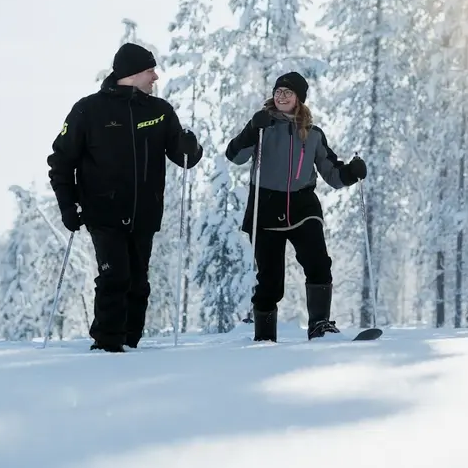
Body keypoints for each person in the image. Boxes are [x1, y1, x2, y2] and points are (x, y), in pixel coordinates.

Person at [47, 42, 202, 352]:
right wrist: (68, 204)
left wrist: (190, 146)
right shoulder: (88, 109)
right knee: (114, 276)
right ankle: (107, 345)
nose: (155, 77)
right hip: (102, 210)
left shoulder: (159, 111)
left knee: (138, 282)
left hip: (144, 212)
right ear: (131, 73)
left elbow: (184, 157)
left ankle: (129, 344)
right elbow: (60, 161)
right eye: (150, 71)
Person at [225, 71, 368, 342]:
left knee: (318, 263)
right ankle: (264, 337)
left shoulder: (313, 135)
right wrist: (251, 130)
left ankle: (320, 325)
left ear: (299, 99)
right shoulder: (261, 127)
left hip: (303, 208)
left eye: (288, 92)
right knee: (270, 280)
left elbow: (332, 173)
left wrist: (352, 172)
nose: (281, 95)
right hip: (265, 209)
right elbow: (235, 156)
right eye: (278, 90)